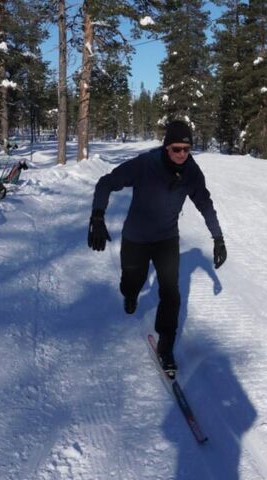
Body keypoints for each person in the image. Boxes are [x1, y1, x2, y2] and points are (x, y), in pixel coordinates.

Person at [87, 120, 227, 377]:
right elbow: (106, 182)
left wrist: (218, 237)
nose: (182, 154)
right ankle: (130, 294)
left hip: (166, 239)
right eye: (177, 149)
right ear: (166, 147)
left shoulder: (191, 172)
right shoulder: (145, 164)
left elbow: (205, 203)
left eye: (187, 149)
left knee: (171, 293)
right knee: (132, 281)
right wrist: (97, 216)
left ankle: (166, 346)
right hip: (136, 237)